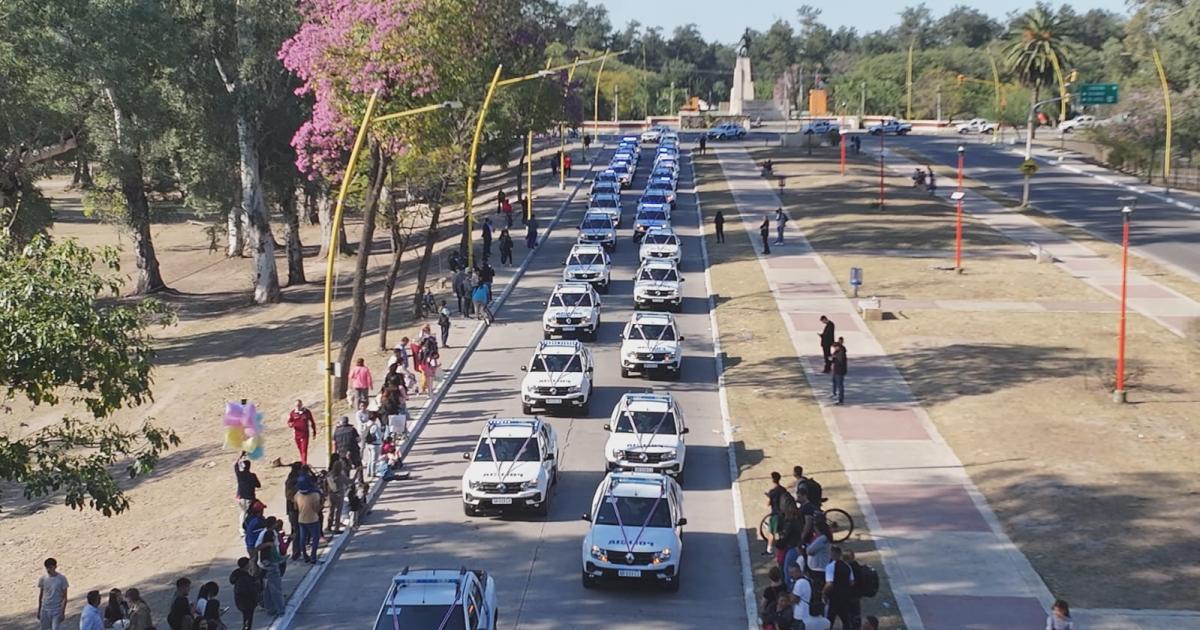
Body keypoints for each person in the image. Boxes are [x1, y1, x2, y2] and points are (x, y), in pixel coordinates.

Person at [253, 520, 284, 615]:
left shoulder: (272, 532)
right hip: (270, 563)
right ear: (273, 524)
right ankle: (280, 609)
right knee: (276, 588)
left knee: (269, 588)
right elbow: (259, 548)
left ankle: (269, 608)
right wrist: (279, 559)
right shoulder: (267, 534)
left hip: (267, 562)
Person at [823, 546, 859, 629]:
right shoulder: (847, 566)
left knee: (829, 620)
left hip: (833, 599)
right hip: (845, 598)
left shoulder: (830, 567)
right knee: (846, 621)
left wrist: (824, 593)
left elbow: (829, 584)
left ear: (832, 554)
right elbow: (852, 582)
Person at [788, 564, 830, 630]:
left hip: (801, 614)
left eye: (792, 573)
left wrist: (791, 595)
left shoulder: (799, 583)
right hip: (809, 613)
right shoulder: (808, 580)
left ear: (797, 571)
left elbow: (794, 599)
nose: (790, 575)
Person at [294, 475, 323, 563]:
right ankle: (313, 556)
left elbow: (295, 507)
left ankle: (305, 556)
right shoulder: (315, 495)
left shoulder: (297, 494)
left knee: (302, 539)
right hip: (313, 519)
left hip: (301, 519)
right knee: (315, 538)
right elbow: (317, 509)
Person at [764, 472, 794, 556]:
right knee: (781, 532)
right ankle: (783, 549)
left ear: (773, 479)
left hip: (775, 514)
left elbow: (769, 504)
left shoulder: (772, 491)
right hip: (783, 514)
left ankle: (769, 550)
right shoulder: (783, 489)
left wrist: (769, 497)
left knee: (772, 533)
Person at [37, 557, 69, 630]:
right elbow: (41, 595)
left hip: (56, 609)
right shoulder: (43, 579)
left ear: (55, 567)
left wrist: (62, 612)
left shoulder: (61, 579)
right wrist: (39, 610)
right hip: (45, 609)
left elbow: (65, 597)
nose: (48, 570)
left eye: (50, 567)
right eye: (47, 568)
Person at [229, 558, 258, 630]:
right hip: (247, 602)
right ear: (246, 565)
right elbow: (250, 589)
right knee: (248, 621)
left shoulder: (238, 575)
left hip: (241, 602)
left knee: (246, 620)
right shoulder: (245, 578)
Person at [287, 400, 317, 465]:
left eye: (299, 405)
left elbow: (312, 422)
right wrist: (290, 425)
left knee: (304, 450)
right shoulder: (293, 413)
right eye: (296, 405)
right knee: (300, 449)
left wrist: (314, 431)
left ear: (301, 405)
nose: (298, 407)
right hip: (297, 434)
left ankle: (304, 464)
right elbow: (289, 422)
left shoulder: (306, 412)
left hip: (305, 434)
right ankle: (303, 461)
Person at [333, 416, 363, 482]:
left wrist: (335, 452)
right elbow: (358, 439)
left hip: (342, 453)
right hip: (353, 451)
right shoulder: (352, 429)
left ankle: (347, 484)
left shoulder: (336, 431)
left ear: (340, 422)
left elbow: (334, 442)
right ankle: (361, 482)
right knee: (358, 466)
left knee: (345, 469)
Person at [326, 453, 349, 533]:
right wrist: (357, 472)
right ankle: (336, 528)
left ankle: (329, 526)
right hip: (339, 494)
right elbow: (349, 481)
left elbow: (325, 484)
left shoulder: (329, 474)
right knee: (338, 512)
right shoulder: (340, 476)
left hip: (331, 494)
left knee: (331, 511)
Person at [233, 458, 259, 530]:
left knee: (243, 513)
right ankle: (246, 529)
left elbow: (235, 465)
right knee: (248, 514)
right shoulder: (252, 475)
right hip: (249, 497)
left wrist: (241, 455)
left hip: (240, 497)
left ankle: (242, 529)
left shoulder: (240, 475)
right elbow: (258, 485)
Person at [831, 339, 848, 405]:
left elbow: (840, 361)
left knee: (840, 385)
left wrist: (834, 358)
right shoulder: (837, 352)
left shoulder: (841, 353)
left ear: (838, 347)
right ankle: (834, 393)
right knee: (834, 382)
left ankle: (841, 400)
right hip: (836, 370)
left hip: (839, 371)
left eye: (835, 347)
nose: (834, 349)